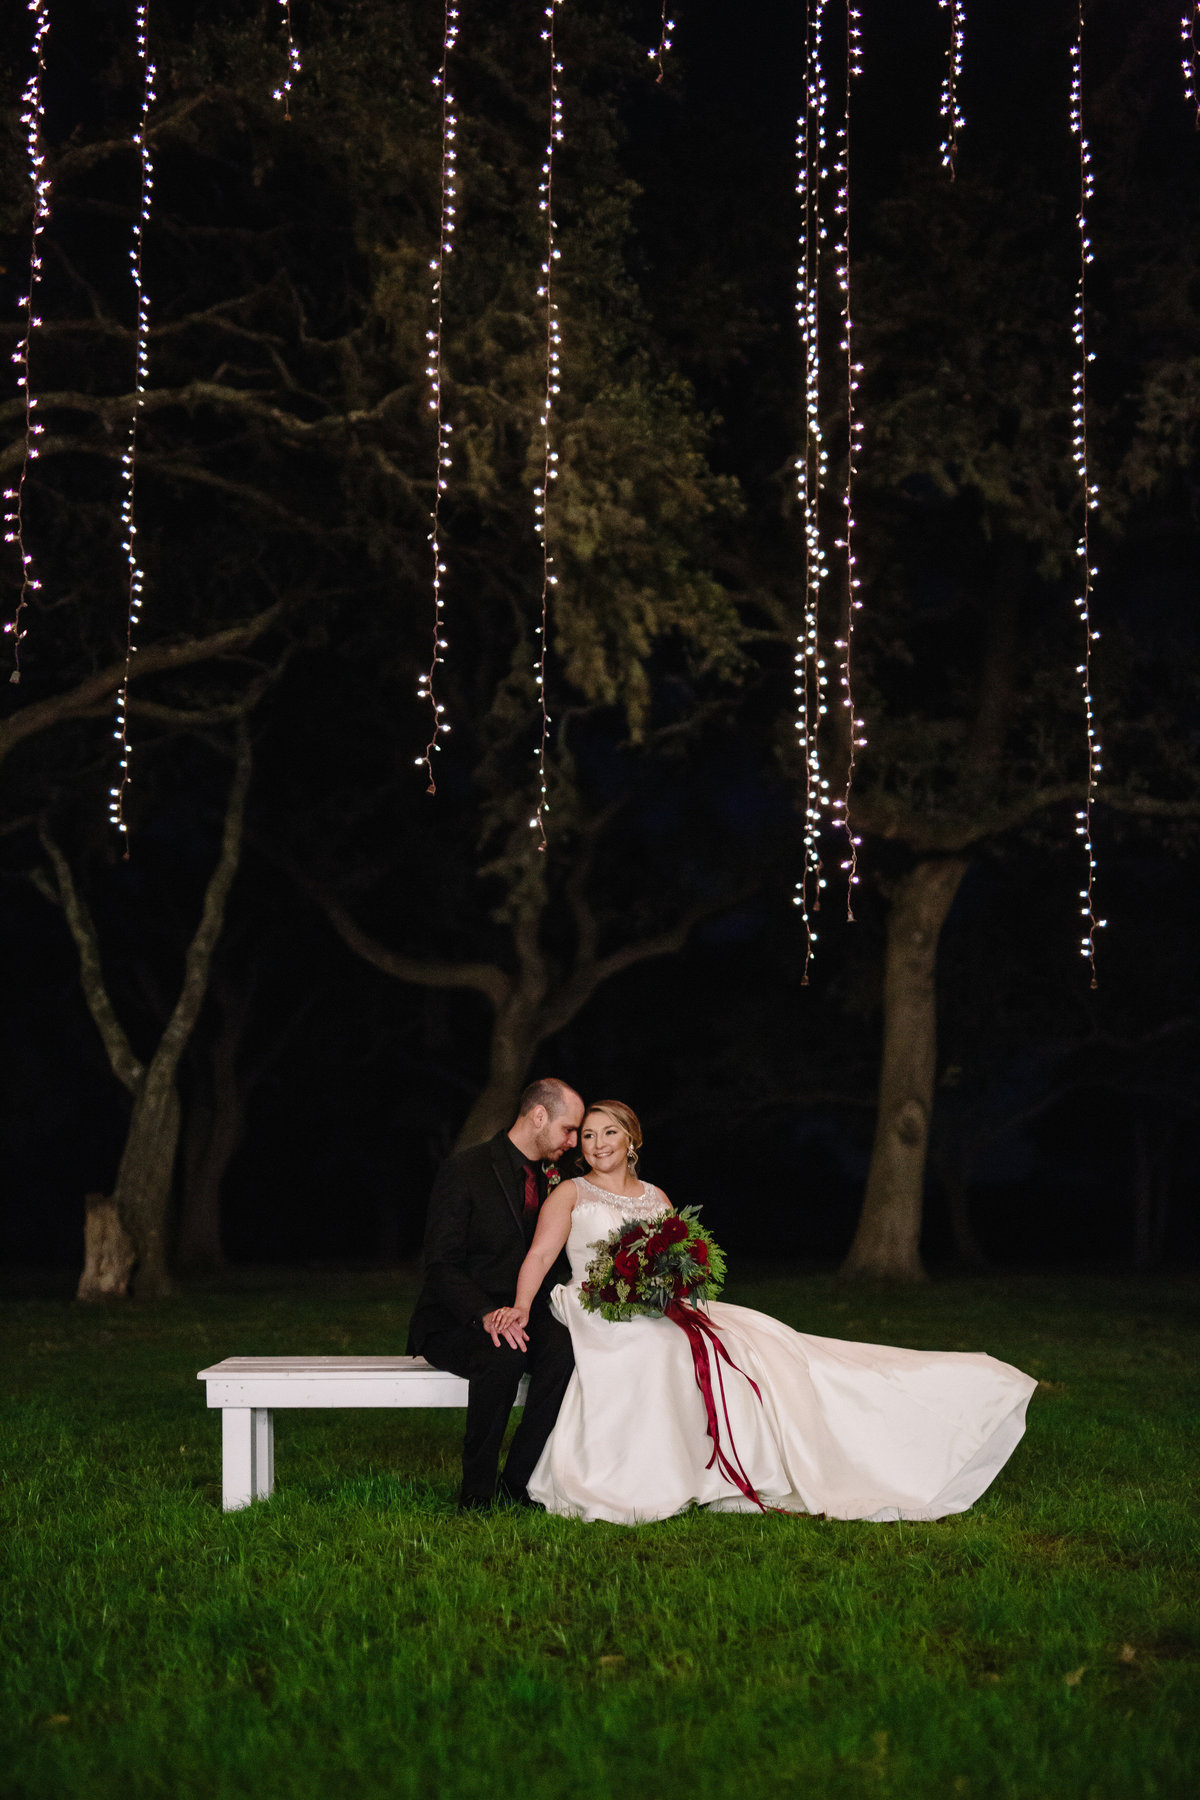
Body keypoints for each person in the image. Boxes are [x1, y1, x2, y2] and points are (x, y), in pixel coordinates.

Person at [491, 1100, 1038, 1524]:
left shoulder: (654, 1196)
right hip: (593, 1304)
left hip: (655, 1304)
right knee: (659, 1349)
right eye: (587, 1135)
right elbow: (541, 1255)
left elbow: (671, 1258)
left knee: (759, 1342)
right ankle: (641, 1478)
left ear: (631, 1139)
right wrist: (520, 1306)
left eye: (608, 1132)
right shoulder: (571, 1193)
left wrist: (671, 1286)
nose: (596, 1143)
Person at [407, 1077, 586, 1509]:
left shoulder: (561, 1178)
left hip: (528, 1310)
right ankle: (478, 1493)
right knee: (502, 1355)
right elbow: (441, 1265)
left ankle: (519, 1482)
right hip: (458, 1318)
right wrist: (486, 1313)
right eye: (569, 1129)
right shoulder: (465, 1170)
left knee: (564, 1350)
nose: (574, 1141)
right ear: (538, 1116)